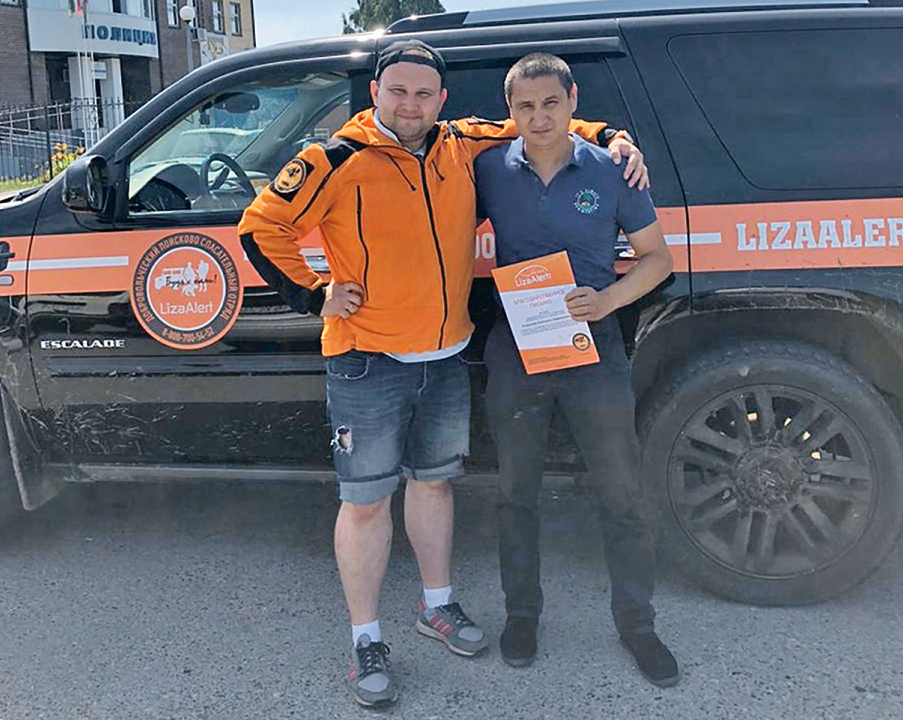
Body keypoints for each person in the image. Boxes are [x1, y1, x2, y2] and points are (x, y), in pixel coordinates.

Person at [238, 40, 648, 707]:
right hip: (367, 359)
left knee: (433, 488)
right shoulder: (333, 158)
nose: (410, 104)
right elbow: (261, 227)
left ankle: (437, 606)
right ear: (375, 92)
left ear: (441, 100)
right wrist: (314, 294)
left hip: (446, 357)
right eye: (398, 91)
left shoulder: (462, 143)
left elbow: (541, 121)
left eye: (423, 93)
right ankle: (366, 640)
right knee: (366, 503)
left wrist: (613, 137)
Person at [475, 52, 679, 687]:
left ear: (572, 101)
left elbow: (657, 260)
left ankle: (638, 624)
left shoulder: (612, 169)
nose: (538, 118)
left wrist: (608, 301)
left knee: (621, 492)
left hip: (595, 347)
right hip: (518, 348)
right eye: (525, 106)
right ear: (510, 110)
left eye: (550, 104)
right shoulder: (487, 168)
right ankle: (522, 615)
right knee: (515, 492)